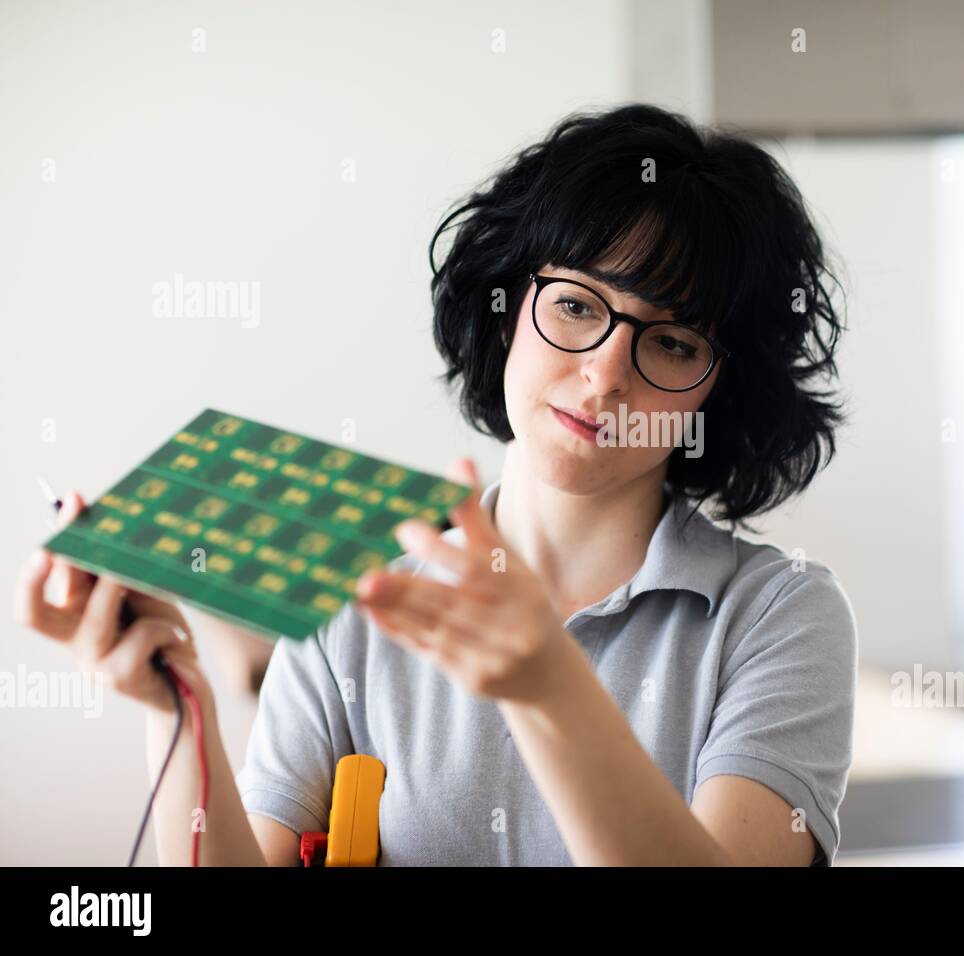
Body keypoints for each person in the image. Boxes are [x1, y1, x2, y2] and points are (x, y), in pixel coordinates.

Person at [16, 103, 857, 866]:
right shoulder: (357, 586)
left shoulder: (781, 616)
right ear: (507, 307)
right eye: (574, 305)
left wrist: (548, 686)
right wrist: (179, 708)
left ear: (722, 388)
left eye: (672, 342)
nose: (604, 376)